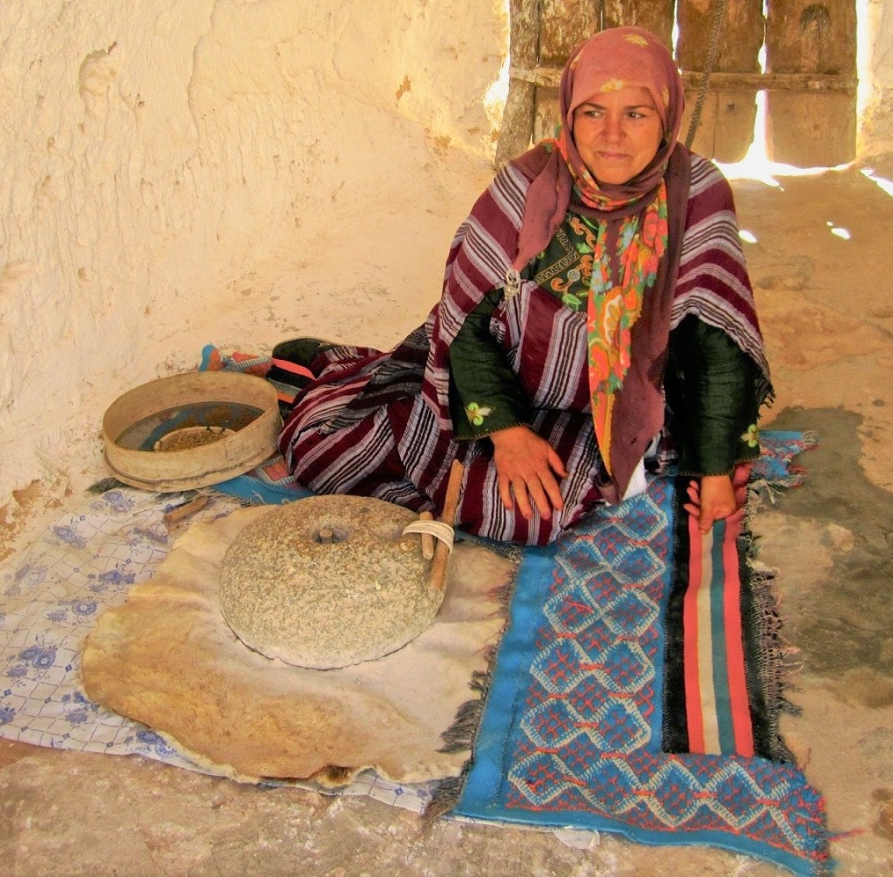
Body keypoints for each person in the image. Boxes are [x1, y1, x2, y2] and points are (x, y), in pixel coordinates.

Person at [274, 27, 770, 546]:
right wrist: (508, 435)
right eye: (593, 112)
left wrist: (715, 475)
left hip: (609, 410)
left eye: (636, 114)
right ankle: (333, 368)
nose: (612, 135)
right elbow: (464, 322)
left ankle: (355, 380)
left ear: (666, 116)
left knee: (528, 517)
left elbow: (716, 344)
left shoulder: (697, 198)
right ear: (569, 115)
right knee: (324, 453)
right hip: (494, 387)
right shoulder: (527, 187)